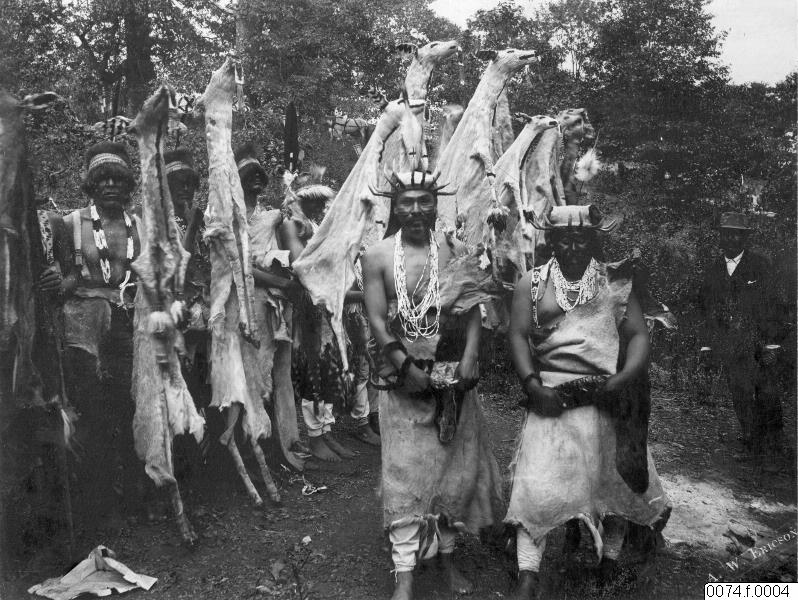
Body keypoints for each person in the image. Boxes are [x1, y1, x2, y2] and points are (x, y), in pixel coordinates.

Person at [505, 205, 671, 599]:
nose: (573, 246)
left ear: (594, 240)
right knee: (536, 485)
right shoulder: (533, 283)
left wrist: (622, 380)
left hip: (605, 396)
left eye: (581, 238)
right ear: (551, 240)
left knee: (613, 483)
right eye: (564, 239)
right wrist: (532, 384)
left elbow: (638, 335)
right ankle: (528, 573)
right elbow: (517, 336)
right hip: (552, 395)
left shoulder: (614, 281)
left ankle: (609, 561)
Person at [361, 170, 505, 600]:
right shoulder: (378, 256)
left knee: (453, 473)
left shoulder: (455, 250)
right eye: (406, 202)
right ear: (395, 206)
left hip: (452, 379)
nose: (416, 210)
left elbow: (473, 308)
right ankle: (404, 573)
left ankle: (446, 557)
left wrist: (470, 356)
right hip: (403, 380)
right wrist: (404, 365)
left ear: (435, 204)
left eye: (424, 201)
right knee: (403, 473)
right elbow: (375, 319)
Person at [62, 141, 141, 524]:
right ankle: (99, 503)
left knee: (130, 407)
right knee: (92, 414)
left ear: (127, 185)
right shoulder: (70, 224)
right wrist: (58, 282)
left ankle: (135, 496)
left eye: (117, 179)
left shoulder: (138, 226)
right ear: (91, 184)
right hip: (84, 329)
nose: (110, 185)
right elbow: (65, 275)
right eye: (102, 179)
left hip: (128, 325)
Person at [279, 166, 357, 463]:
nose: (318, 206)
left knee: (328, 367)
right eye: (311, 201)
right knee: (311, 367)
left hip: (323, 304)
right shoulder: (291, 224)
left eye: (320, 202)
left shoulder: (313, 224)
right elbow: (301, 264)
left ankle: (326, 431)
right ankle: (314, 437)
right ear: (300, 200)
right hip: (305, 304)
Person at [699, 212, 788, 458]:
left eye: (737, 234)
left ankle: (775, 447)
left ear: (745, 237)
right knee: (740, 393)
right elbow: (706, 309)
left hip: (760, 342)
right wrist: (707, 345)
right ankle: (751, 441)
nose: (731, 239)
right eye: (726, 234)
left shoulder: (760, 265)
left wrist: (772, 343)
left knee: (767, 394)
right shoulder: (713, 269)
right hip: (731, 345)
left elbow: (775, 305)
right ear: (720, 237)